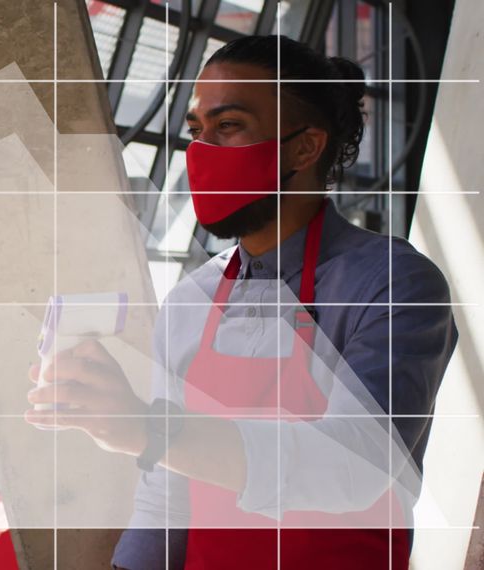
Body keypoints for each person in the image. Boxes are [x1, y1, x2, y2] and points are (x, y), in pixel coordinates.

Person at [24, 35, 457, 569]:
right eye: (196, 131)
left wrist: (148, 430)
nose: (202, 151)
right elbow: (167, 494)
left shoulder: (392, 285)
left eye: (228, 126)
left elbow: (355, 466)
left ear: (305, 147)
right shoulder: (192, 300)